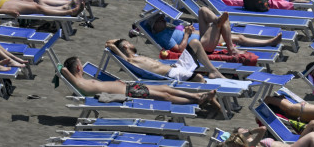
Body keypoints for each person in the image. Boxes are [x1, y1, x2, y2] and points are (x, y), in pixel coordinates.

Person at [60, 56, 223, 117]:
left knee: (165, 89)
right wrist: (60, 68)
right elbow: (64, 70)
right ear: (78, 68)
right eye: (80, 65)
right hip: (127, 93)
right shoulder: (80, 83)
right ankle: (197, 100)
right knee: (164, 96)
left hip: (129, 88)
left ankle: (197, 98)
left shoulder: (83, 82)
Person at [147, 9, 281, 55]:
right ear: (155, 25)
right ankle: (228, 44)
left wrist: (188, 29)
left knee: (203, 10)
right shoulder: (163, 37)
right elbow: (179, 50)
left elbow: (181, 30)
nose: (164, 20)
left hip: (202, 37)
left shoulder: (167, 28)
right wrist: (187, 34)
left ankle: (270, 42)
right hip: (201, 45)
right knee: (222, 23)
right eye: (160, 20)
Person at [107, 37, 227, 80]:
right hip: (172, 73)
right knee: (199, 78)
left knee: (195, 42)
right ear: (125, 46)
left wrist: (117, 44)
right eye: (129, 43)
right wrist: (116, 47)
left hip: (176, 66)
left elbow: (111, 42)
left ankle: (213, 71)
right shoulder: (131, 61)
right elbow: (110, 44)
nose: (132, 43)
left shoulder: (136, 57)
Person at [226, 121, 314, 147]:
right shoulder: (250, 144)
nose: (245, 129)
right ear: (240, 136)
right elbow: (262, 129)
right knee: (312, 136)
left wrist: (247, 133)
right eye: (242, 130)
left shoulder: (253, 142)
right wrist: (249, 132)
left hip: (292, 145)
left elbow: (262, 129)